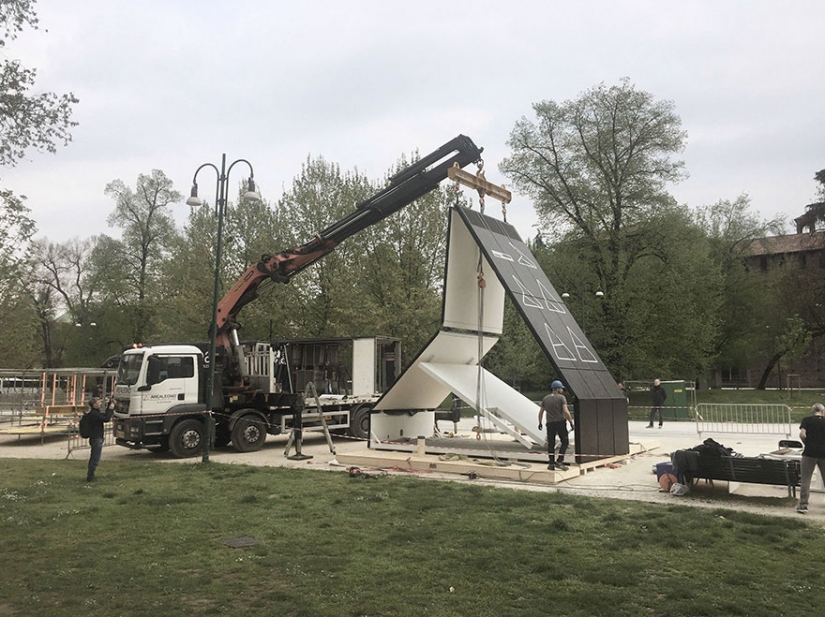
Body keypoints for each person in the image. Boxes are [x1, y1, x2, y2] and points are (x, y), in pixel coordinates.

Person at [538, 380, 575, 471]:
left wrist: (540, 423)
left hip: (550, 424)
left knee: (551, 443)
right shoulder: (561, 398)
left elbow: (541, 412)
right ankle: (559, 461)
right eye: (561, 388)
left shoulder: (545, 398)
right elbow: (566, 411)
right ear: (557, 388)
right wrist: (571, 422)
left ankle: (551, 464)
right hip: (560, 423)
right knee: (565, 442)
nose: (562, 390)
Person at [797, 402, 825, 514]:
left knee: (806, 479)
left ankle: (803, 505)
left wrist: (807, 443)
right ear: (822, 411)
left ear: (813, 411)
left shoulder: (806, 420)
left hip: (809, 452)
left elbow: (802, 434)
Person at [84, 396, 115, 482]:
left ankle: (90, 475)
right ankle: (90, 476)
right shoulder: (94, 414)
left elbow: (104, 415)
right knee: (95, 458)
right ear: (94, 404)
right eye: (99, 402)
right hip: (96, 438)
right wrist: (111, 408)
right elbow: (106, 418)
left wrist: (109, 404)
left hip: (96, 437)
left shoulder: (95, 413)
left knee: (94, 457)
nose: (101, 403)